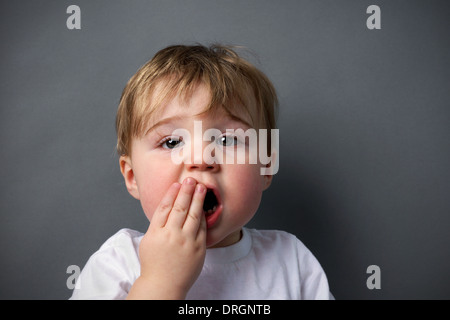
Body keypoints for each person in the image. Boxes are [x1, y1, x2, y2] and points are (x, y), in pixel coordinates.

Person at [70, 44, 332, 300]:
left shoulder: (292, 261)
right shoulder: (117, 264)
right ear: (132, 177)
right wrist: (160, 282)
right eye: (172, 142)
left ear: (265, 166)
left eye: (227, 140)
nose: (201, 159)